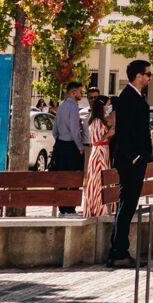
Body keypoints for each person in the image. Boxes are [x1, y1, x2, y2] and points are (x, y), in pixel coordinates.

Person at [108, 59, 153, 269]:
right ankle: (119, 251)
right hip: (130, 161)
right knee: (126, 204)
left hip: (135, 158)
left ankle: (119, 249)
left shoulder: (136, 97)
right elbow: (124, 132)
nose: (150, 78)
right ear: (138, 75)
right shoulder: (128, 98)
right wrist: (134, 156)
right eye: (148, 74)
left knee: (127, 204)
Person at [53, 81, 88, 215]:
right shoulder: (73, 107)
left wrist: (59, 140)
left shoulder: (61, 106)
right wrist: (79, 147)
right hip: (71, 146)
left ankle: (63, 208)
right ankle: (70, 208)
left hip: (60, 144)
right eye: (80, 91)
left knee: (62, 177)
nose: (81, 94)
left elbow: (54, 129)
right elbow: (74, 129)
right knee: (74, 177)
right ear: (73, 93)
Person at [81, 94, 113, 217]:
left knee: (98, 181)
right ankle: (99, 209)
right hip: (99, 152)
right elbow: (98, 139)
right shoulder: (97, 121)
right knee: (99, 181)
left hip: (101, 150)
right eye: (106, 105)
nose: (107, 107)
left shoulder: (94, 120)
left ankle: (99, 208)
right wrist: (109, 133)